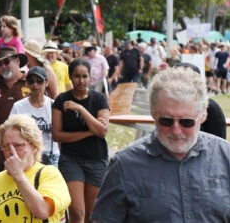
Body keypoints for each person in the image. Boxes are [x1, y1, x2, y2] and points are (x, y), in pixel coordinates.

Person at [91, 67, 230, 222]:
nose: (176, 131)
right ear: (153, 112)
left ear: (203, 115)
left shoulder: (226, 158)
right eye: (166, 120)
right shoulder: (124, 165)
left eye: (186, 122)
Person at [0, 114, 71, 223]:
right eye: (6, 146)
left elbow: (42, 211)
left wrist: (18, 175)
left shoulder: (49, 174)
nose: (11, 151)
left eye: (18, 146)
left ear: (34, 146)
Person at [51, 59, 109, 223]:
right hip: (71, 159)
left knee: (92, 215)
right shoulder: (62, 100)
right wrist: (88, 133)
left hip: (96, 159)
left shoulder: (99, 99)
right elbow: (57, 135)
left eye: (85, 76)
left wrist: (80, 108)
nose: (81, 81)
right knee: (76, 212)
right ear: (70, 76)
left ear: (90, 77)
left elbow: (102, 131)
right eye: (77, 76)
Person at [0, 46, 29, 173]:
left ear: (17, 61)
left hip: (28, 152)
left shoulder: (32, 82)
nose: (3, 66)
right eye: (0, 63)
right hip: (2, 154)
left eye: (7, 62)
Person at [10, 66, 59, 167]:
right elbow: (11, 132)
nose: (35, 85)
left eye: (39, 81)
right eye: (31, 81)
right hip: (27, 155)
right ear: (27, 84)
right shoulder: (18, 107)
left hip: (52, 156)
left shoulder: (54, 105)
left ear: (46, 83)